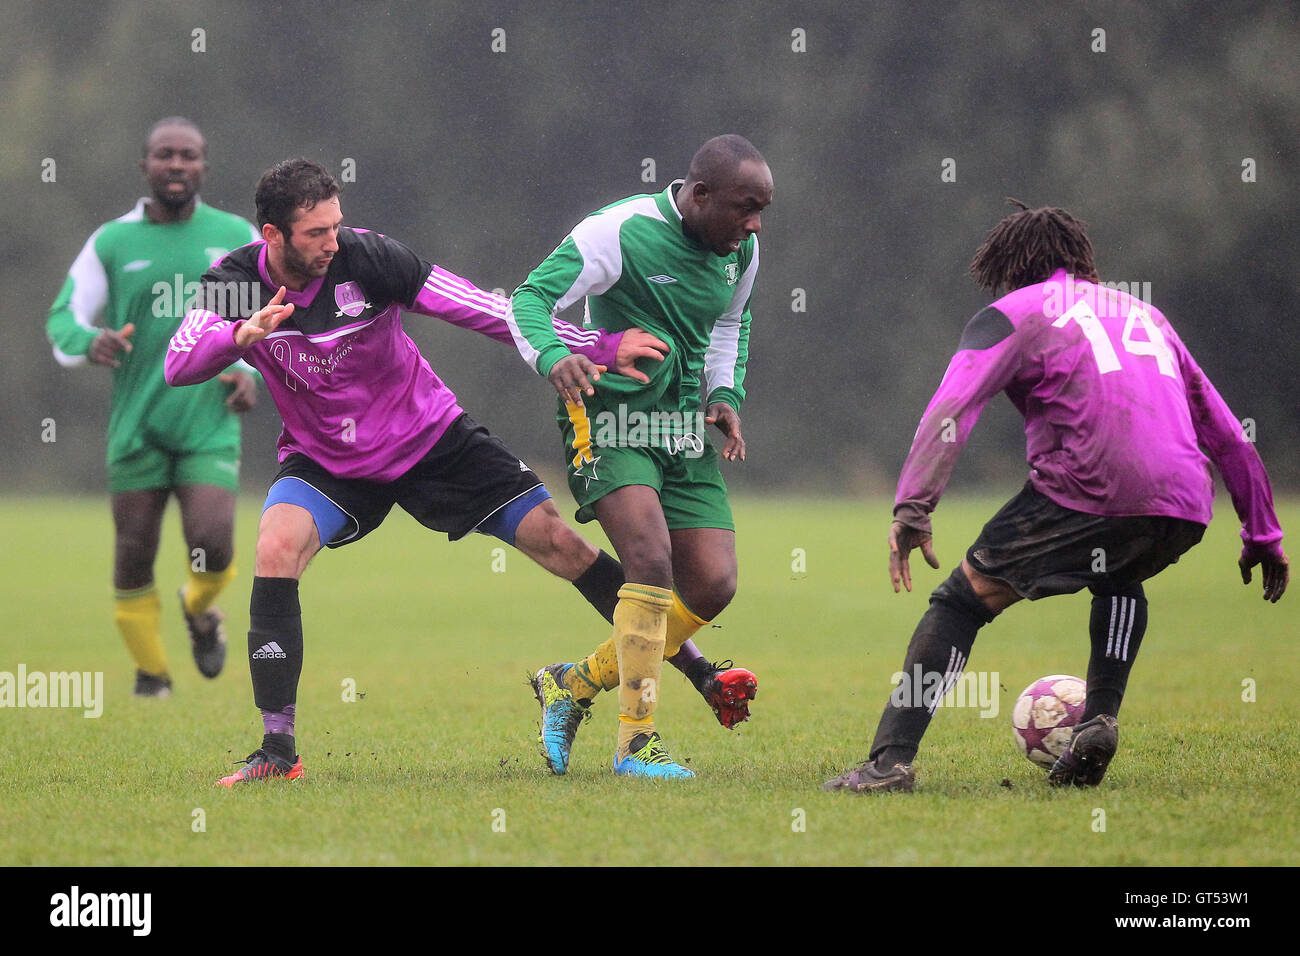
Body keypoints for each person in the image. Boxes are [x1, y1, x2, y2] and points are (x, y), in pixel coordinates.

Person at [163, 158, 739, 786]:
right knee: (275, 546)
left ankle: (698, 669)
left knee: (562, 544)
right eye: (315, 233)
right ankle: (277, 754)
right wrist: (239, 336)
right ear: (272, 235)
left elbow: (481, 308)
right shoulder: (238, 283)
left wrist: (593, 345)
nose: (333, 242)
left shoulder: (371, 259)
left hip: (431, 439)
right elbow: (179, 361)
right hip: (328, 461)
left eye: (336, 226)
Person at [824, 201, 1289, 794]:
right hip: (1184, 501)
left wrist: (915, 506)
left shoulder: (1013, 312)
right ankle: (1098, 721)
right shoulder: (1147, 314)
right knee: (1120, 570)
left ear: (1010, 268)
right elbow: (1226, 432)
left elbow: (952, 410)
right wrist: (1262, 533)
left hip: (1087, 485)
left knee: (960, 603)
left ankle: (888, 766)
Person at [508, 134, 773, 778]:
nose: (754, 223)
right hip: (612, 421)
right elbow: (528, 300)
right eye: (744, 207)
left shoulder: (741, 252)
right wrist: (554, 355)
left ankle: (574, 683)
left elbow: (730, 327)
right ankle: (637, 744)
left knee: (713, 583)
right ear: (699, 194)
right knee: (649, 560)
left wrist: (723, 394)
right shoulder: (619, 230)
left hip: (682, 431)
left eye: (762, 208)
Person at [46, 117, 260, 697]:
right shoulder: (112, 241)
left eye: (188, 156)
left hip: (207, 423)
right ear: (144, 167)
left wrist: (245, 369)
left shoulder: (236, 235)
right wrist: (89, 342)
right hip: (137, 425)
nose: (176, 165)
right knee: (134, 553)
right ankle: (151, 675)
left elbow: (256, 321)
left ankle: (198, 609)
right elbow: (63, 315)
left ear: (204, 168)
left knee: (214, 544)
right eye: (164, 155)